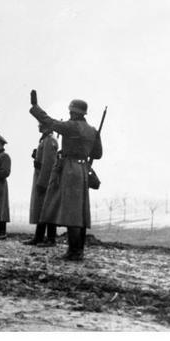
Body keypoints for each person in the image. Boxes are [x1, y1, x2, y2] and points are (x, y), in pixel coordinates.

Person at [29, 90, 103, 261]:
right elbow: (98, 154)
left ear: (73, 112)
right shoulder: (92, 130)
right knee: (81, 211)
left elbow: (49, 121)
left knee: (71, 211)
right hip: (83, 169)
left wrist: (35, 107)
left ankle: (73, 252)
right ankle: (79, 250)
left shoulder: (71, 126)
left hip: (70, 170)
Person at [23, 124, 59, 246]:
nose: (38, 126)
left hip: (45, 178)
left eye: (41, 124)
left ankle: (50, 239)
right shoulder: (46, 140)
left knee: (47, 208)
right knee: (41, 208)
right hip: (41, 177)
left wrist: (43, 182)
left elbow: (49, 164)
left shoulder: (49, 141)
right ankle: (39, 237)